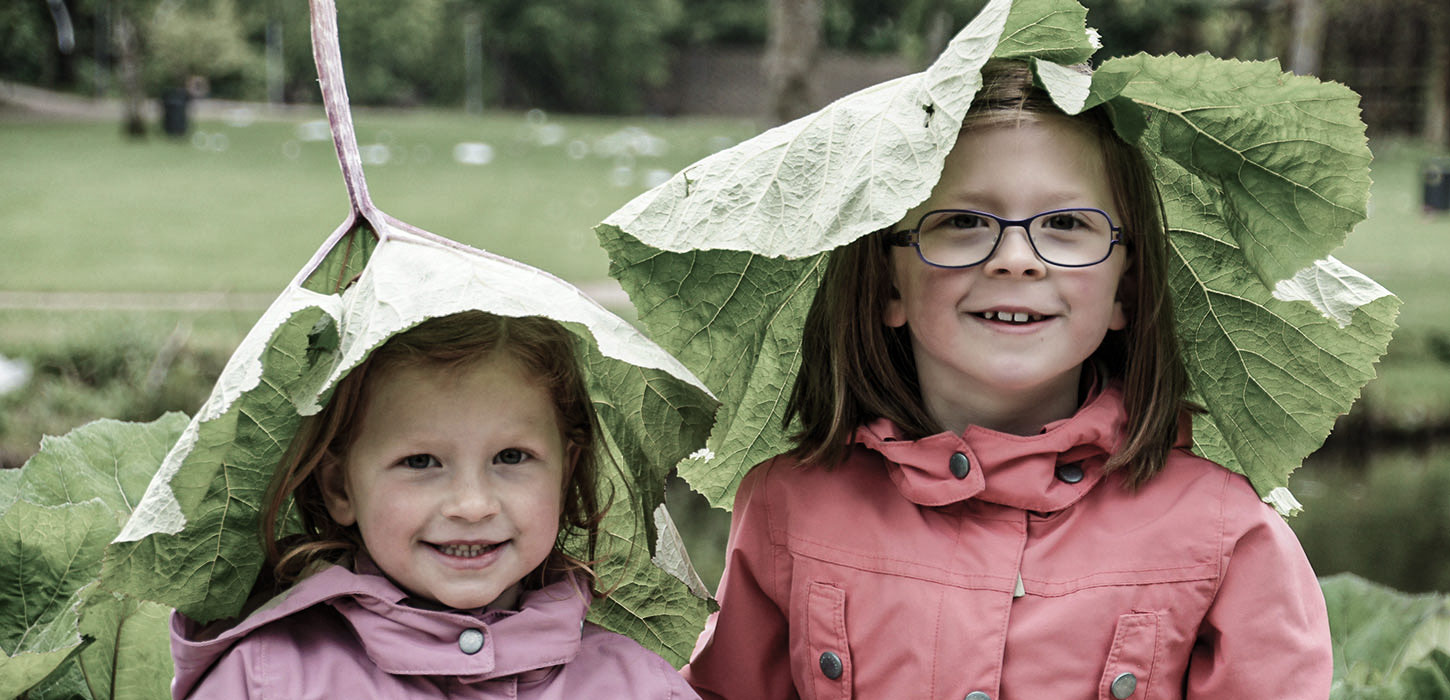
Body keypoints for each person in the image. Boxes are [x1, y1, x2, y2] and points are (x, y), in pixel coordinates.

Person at [682, 60, 1331, 699]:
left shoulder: (1224, 533)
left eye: (1066, 224)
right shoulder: (787, 507)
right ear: (887, 283)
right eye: (963, 223)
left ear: (1123, 290)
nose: (1016, 259)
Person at [170, 311, 699, 699]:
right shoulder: (267, 680)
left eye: (511, 456)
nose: (472, 504)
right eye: (421, 462)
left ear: (565, 473)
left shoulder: (642, 687)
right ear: (340, 488)